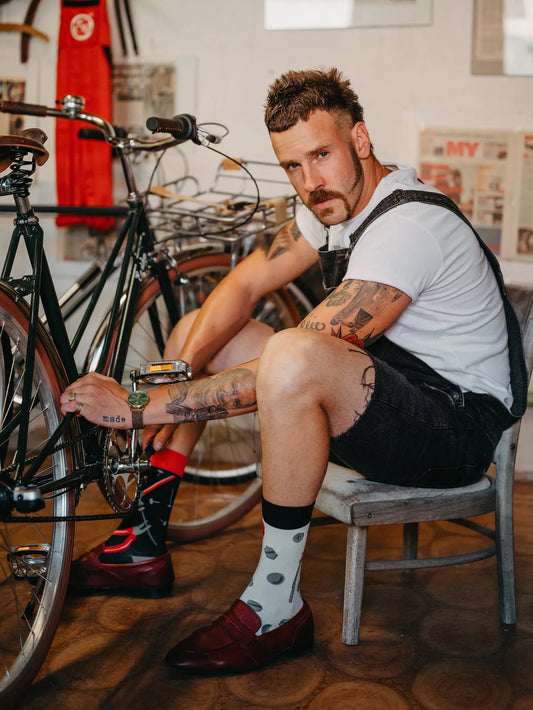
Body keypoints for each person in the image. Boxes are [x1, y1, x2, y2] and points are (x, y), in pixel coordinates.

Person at [61, 67, 525, 674]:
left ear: (360, 139)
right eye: (292, 166)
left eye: (321, 155)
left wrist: (138, 407)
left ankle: (276, 605)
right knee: (197, 329)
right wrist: (180, 371)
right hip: (388, 395)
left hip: (455, 430)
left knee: (292, 352)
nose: (310, 182)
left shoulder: (409, 226)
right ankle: (144, 538)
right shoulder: (333, 207)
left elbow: (297, 360)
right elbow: (246, 282)